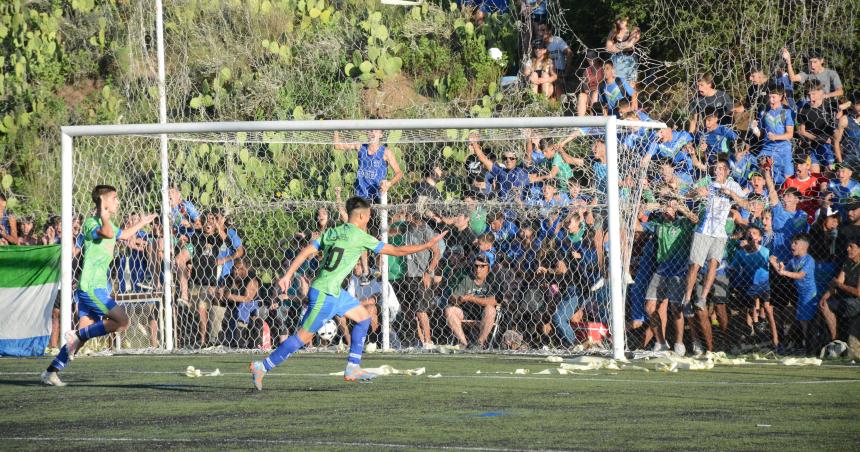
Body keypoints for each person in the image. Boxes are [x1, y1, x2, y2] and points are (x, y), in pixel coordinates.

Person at [249, 196, 446, 389]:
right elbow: (396, 250)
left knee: (363, 317)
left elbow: (306, 251)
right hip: (324, 294)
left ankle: (353, 366)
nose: (369, 219)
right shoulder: (360, 237)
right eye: (369, 216)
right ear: (361, 217)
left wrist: (287, 275)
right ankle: (262, 366)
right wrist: (427, 245)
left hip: (334, 292)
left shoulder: (333, 232)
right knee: (302, 338)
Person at [41, 185, 156, 386]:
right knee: (122, 322)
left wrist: (143, 223)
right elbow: (108, 234)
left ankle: (51, 372)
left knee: (80, 339)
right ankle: (76, 334)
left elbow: (124, 234)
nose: (118, 201)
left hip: (96, 287)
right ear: (104, 202)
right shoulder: (90, 224)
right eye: (114, 198)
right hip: (90, 287)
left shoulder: (108, 222)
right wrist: (103, 215)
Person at [681, 158, 748, 353]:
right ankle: (687, 299)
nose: (717, 171)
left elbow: (744, 202)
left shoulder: (732, 184)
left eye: (721, 168)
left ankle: (702, 297)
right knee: (695, 265)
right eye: (715, 168)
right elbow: (688, 196)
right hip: (703, 230)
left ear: (727, 171)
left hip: (719, 233)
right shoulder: (707, 183)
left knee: (713, 263)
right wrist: (696, 192)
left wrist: (730, 193)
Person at [644, 198, 698, 354]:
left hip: (679, 269)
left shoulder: (683, 223)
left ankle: (679, 343)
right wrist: (647, 207)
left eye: (672, 206)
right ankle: (661, 343)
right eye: (666, 205)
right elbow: (638, 226)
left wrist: (680, 207)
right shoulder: (658, 224)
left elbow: (696, 220)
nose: (668, 208)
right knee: (649, 307)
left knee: (676, 308)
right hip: (661, 269)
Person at [770, 233, 817, 352]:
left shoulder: (809, 260)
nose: (792, 245)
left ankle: (811, 347)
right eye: (792, 242)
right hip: (800, 294)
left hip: (810, 293)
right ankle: (808, 346)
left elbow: (800, 275)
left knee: (807, 321)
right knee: (802, 321)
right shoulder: (793, 260)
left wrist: (784, 273)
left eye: (795, 243)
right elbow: (783, 271)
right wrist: (774, 263)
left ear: (804, 246)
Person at [333, 129, 403, 203]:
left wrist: (389, 184)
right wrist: (336, 130)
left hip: (378, 195)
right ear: (367, 133)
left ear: (381, 135)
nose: (372, 133)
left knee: (379, 213)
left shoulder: (386, 152)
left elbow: (399, 173)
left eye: (376, 131)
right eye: (370, 130)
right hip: (361, 196)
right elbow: (337, 146)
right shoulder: (360, 146)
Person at [445, 254, 499, 349]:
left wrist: (472, 298)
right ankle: (464, 343)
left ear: (488, 268)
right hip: (466, 311)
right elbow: (453, 297)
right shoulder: (467, 279)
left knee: (490, 310)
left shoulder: (492, 281)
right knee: (450, 310)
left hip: (484, 313)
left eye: (482, 266)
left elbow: (494, 301)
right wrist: (458, 299)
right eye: (476, 266)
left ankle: (479, 344)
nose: (478, 269)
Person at [818, 238, 860, 342]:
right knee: (824, 304)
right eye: (847, 246)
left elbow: (858, 292)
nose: (847, 249)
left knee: (845, 304)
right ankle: (835, 340)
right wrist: (825, 297)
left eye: (851, 247)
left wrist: (839, 285)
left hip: (857, 301)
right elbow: (838, 282)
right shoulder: (847, 263)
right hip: (848, 298)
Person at [752, 85, 795, 186]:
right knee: (759, 169)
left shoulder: (786, 112)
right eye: (769, 97)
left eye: (773, 97)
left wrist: (776, 137)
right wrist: (754, 129)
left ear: (780, 97)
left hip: (783, 148)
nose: (771, 100)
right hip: (768, 148)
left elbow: (790, 134)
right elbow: (761, 134)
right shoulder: (764, 112)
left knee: (787, 177)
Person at [797, 81, 840, 172]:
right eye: (809, 95)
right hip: (813, 146)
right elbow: (802, 131)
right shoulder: (803, 110)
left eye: (813, 94)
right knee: (814, 174)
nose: (811, 97)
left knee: (830, 171)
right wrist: (819, 139)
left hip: (830, 147)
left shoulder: (830, 106)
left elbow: (841, 115)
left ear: (821, 93)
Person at [605, 17, 640, 87]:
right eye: (618, 19)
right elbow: (608, 48)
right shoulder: (613, 31)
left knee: (631, 86)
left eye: (623, 18)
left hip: (629, 59)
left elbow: (630, 43)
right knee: (617, 85)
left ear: (628, 18)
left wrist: (615, 46)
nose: (621, 21)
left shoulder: (634, 29)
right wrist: (625, 44)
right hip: (616, 60)